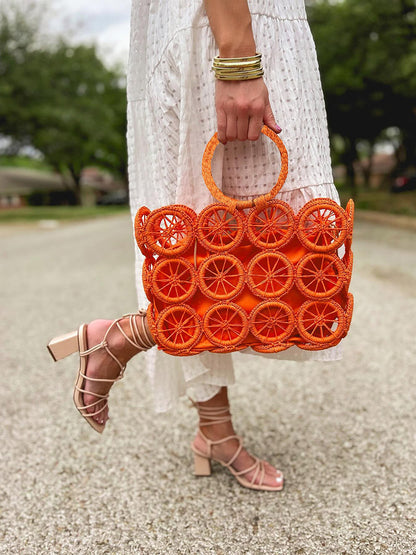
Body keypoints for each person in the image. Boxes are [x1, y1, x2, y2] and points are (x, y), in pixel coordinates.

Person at [47, 0, 343, 492]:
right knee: (240, 255)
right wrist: (238, 58)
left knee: (217, 254)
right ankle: (123, 337)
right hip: (225, 33)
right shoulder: (236, 53)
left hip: (231, 31)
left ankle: (214, 431)